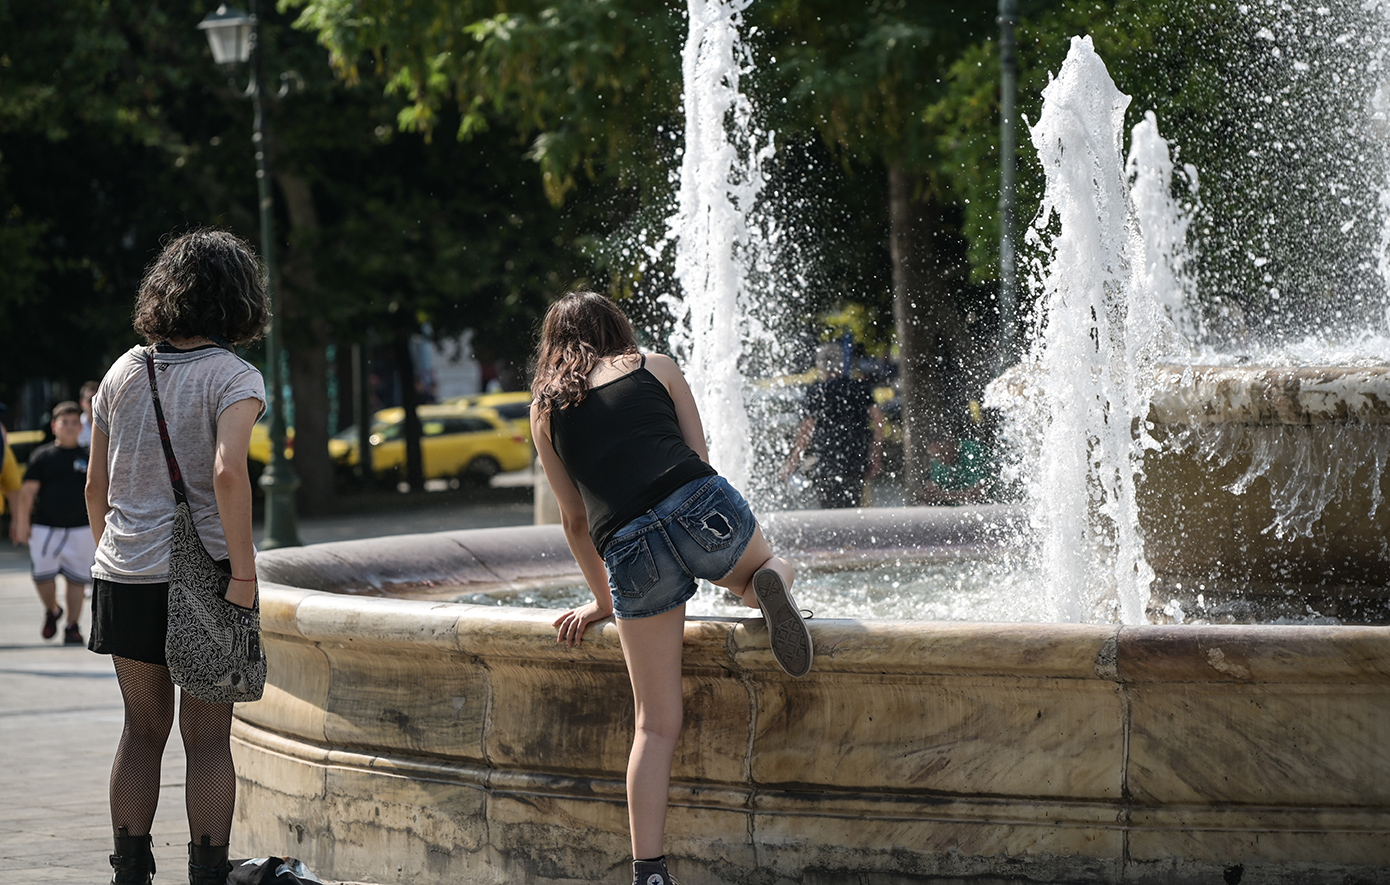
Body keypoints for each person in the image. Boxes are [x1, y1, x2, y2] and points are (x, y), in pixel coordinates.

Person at [530, 291, 812, 885]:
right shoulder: (655, 365)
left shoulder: (545, 413)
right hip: (696, 500)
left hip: (629, 545)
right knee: (770, 569)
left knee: (655, 724)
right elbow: (698, 456)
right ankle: (766, 586)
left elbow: (575, 521)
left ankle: (650, 872)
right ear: (616, 328)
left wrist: (604, 602)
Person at [85, 229, 269, 885]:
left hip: (123, 571)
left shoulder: (123, 370)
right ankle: (207, 876)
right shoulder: (235, 376)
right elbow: (227, 473)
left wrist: (112, 554)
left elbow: (94, 489)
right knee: (207, 739)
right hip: (203, 578)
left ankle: (129, 873)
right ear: (237, 300)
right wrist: (243, 574)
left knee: (141, 731)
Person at [11, 401, 96, 644]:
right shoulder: (42, 456)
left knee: (76, 580)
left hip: (81, 528)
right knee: (42, 577)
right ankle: (53, 610)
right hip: (45, 528)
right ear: (54, 426)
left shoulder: (89, 456)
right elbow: (27, 493)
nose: (69, 427)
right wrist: (21, 522)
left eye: (73, 422)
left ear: (80, 427)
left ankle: (72, 626)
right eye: (64, 422)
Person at [781, 343, 885, 508]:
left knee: (830, 516)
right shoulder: (860, 388)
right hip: (856, 462)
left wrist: (792, 462)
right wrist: (876, 456)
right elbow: (879, 422)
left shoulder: (817, 391)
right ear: (843, 364)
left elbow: (806, 430)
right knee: (854, 511)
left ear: (820, 366)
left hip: (827, 464)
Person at [917, 434, 995, 505]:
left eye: (942, 453)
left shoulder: (972, 452)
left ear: (952, 444)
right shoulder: (939, 461)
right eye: (936, 457)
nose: (941, 460)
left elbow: (978, 493)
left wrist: (941, 495)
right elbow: (932, 490)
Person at [79, 379, 100, 446]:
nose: (95, 404)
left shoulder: (111, 427)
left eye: (99, 400)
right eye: (91, 400)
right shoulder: (74, 426)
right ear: (82, 403)